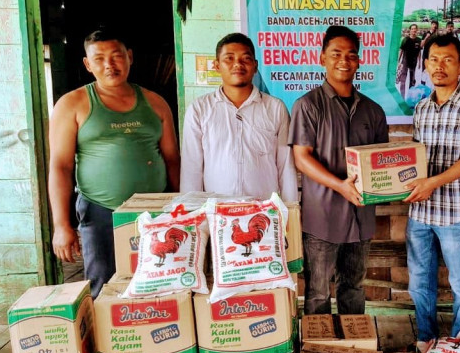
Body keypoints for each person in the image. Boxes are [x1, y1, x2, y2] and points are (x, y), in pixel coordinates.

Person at [48, 28, 180, 297]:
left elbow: (173, 160)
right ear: (87, 64)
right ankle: (109, 338)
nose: (109, 65)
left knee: (158, 281)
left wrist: (181, 209)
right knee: (103, 285)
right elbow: (60, 166)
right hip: (100, 211)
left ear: (129, 57)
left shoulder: (156, 103)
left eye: (117, 56)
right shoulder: (72, 104)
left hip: (154, 211)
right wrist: (62, 225)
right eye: (99, 58)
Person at [290, 25, 389, 315]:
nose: (343, 60)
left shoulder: (373, 111)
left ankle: (353, 349)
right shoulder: (308, 105)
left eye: (351, 54)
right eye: (336, 53)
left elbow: (382, 161)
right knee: (318, 291)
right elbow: (301, 158)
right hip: (323, 215)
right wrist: (340, 185)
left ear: (359, 61)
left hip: (361, 216)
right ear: (322, 58)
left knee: (354, 288)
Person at [405, 32, 460, 347]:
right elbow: (413, 158)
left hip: (454, 212)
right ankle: (426, 339)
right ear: (426, 64)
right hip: (420, 211)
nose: (440, 66)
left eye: (448, 60)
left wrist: (431, 183)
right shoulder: (422, 108)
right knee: (419, 283)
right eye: (434, 60)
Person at [180, 32, 297, 202]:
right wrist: (192, 215)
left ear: (255, 66)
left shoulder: (275, 108)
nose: (238, 64)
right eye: (229, 58)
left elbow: (286, 166)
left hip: (264, 211)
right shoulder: (199, 109)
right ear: (217, 65)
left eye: (245, 59)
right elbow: (192, 169)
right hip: (216, 214)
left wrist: (290, 211)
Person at [397, 23, 423, 94]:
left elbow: (419, 52)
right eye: (412, 29)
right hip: (405, 61)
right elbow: (401, 51)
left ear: (417, 30)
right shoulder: (405, 39)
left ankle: (410, 96)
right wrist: (399, 62)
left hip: (413, 62)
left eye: (415, 29)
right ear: (410, 30)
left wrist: (419, 62)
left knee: (412, 80)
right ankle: (402, 96)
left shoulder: (419, 40)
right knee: (403, 80)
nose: (414, 30)